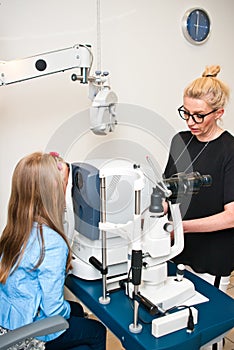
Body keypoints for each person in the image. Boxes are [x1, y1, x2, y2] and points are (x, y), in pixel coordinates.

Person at [0, 151, 106, 350]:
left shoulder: (16, 227)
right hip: (26, 336)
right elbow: (54, 309)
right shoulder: (52, 242)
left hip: (7, 320)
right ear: (54, 193)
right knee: (97, 330)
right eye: (66, 185)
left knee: (74, 308)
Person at [164, 65, 234, 293]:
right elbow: (167, 190)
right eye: (186, 112)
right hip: (176, 250)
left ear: (219, 113)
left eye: (199, 116)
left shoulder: (229, 150)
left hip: (211, 258)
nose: (191, 121)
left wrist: (181, 227)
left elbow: (231, 217)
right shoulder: (180, 141)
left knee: (209, 323)